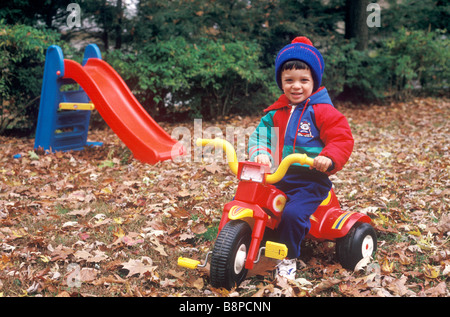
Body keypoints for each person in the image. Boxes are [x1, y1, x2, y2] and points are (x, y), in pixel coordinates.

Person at [248, 36, 354, 279]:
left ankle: (287, 257)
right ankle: (246, 239)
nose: (296, 86)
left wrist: (328, 158)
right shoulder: (275, 113)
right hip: (279, 175)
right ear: (281, 83)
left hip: (310, 179)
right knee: (254, 201)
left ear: (314, 82)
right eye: (289, 80)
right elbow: (260, 136)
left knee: (293, 214)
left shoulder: (323, 111)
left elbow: (342, 139)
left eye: (304, 80)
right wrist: (261, 152)